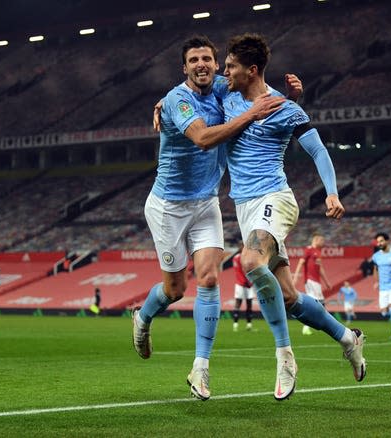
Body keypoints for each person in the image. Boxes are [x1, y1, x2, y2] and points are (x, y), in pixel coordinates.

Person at [132, 35, 294, 401]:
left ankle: (200, 369)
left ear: (216, 64)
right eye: (194, 60)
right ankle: (142, 318)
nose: (202, 64)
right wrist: (249, 114)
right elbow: (204, 138)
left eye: (207, 58)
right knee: (175, 290)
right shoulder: (178, 99)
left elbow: (255, 87)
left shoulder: (223, 86)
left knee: (207, 278)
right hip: (167, 207)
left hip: (206, 203)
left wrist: (293, 96)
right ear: (184, 68)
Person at [222, 33, 367, 397]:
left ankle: (285, 356)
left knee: (251, 262)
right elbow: (192, 94)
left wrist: (332, 192)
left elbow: (318, 151)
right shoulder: (226, 99)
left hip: (275, 198)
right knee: (288, 297)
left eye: (231, 66)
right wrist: (164, 103)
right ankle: (348, 337)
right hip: (244, 207)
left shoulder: (286, 109)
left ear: (251, 70)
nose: (225, 72)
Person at [293, 232, 333, 335]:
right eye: (321, 240)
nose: (323, 242)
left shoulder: (318, 252)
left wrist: (326, 282)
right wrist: (296, 277)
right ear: (316, 240)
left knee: (319, 303)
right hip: (310, 281)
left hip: (317, 281)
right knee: (317, 303)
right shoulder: (309, 249)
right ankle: (309, 326)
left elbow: (320, 269)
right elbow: (301, 262)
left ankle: (317, 325)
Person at [232, 241, 255, 332]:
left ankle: (247, 325)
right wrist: (247, 282)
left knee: (247, 304)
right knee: (239, 303)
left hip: (246, 284)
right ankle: (236, 325)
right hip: (243, 284)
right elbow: (241, 272)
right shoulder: (238, 258)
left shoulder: (242, 258)